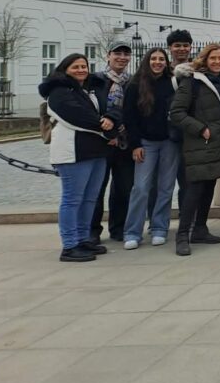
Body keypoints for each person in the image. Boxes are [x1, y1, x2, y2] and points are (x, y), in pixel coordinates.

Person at [39, 53, 120, 261]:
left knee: (90, 198)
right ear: (65, 69)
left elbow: (108, 109)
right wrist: (107, 129)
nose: (81, 70)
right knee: (72, 199)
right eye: (76, 67)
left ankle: (84, 238)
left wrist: (111, 118)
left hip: (96, 150)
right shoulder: (59, 92)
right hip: (73, 151)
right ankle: (70, 244)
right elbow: (78, 117)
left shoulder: (88, 89)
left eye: (84, 66)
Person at [169, 43, 220, 256]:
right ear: (205, 59)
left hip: (217, 143)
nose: (217, 62)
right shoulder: (192, 82)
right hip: (199, 143)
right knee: (193, 190)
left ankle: (200, 229)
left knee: (208, 188)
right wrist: (201, 129)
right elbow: (176, 112)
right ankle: (182, 235)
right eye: (213, 58)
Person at [122, 48, 179, 249]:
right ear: (147, 61)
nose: (157, 62)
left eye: (161, 59)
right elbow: (129, 117)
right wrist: (135, 144)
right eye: (154, 59)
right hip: (146, 142)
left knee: (165, 187)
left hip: (169, 142)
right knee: (141, 188)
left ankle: (159, 228)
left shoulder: (172, 83)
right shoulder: (135, 85)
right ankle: (132, 232)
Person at [89, 41, 134, 244]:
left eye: (126, 54)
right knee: (96, 189)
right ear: (108, 56)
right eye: (118, 53)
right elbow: (90, 109)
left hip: (125, 143)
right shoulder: (95, 80)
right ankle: (92, 230)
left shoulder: (132, 82)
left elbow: (135, 111)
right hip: (101, 142)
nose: (122, 57)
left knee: (123, 188)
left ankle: (119, 228)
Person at [163, 29, 194, 211]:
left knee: (188, 180)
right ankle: (157, 223)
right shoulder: (162, 70)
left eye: (185, 45)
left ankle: (186, 218)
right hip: (166, 133)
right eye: (177, 46)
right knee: (162, 181)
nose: (181, 49)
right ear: (170, 48)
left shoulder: (196, 71)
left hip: (188, 133)